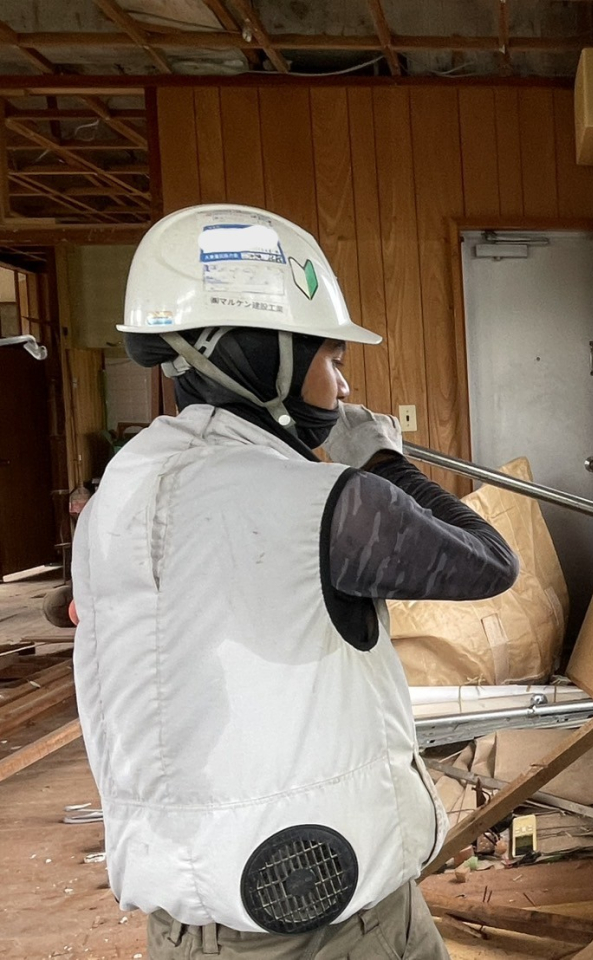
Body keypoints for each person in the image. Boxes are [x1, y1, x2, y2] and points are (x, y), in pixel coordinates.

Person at [71, 204, 519, 959]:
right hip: (329, 927)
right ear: (267, 356)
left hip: (186, 925)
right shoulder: (324, 502)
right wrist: (381, 459)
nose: (343, 386)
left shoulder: (119, 491)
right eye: (331, 357)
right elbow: (490, 561)